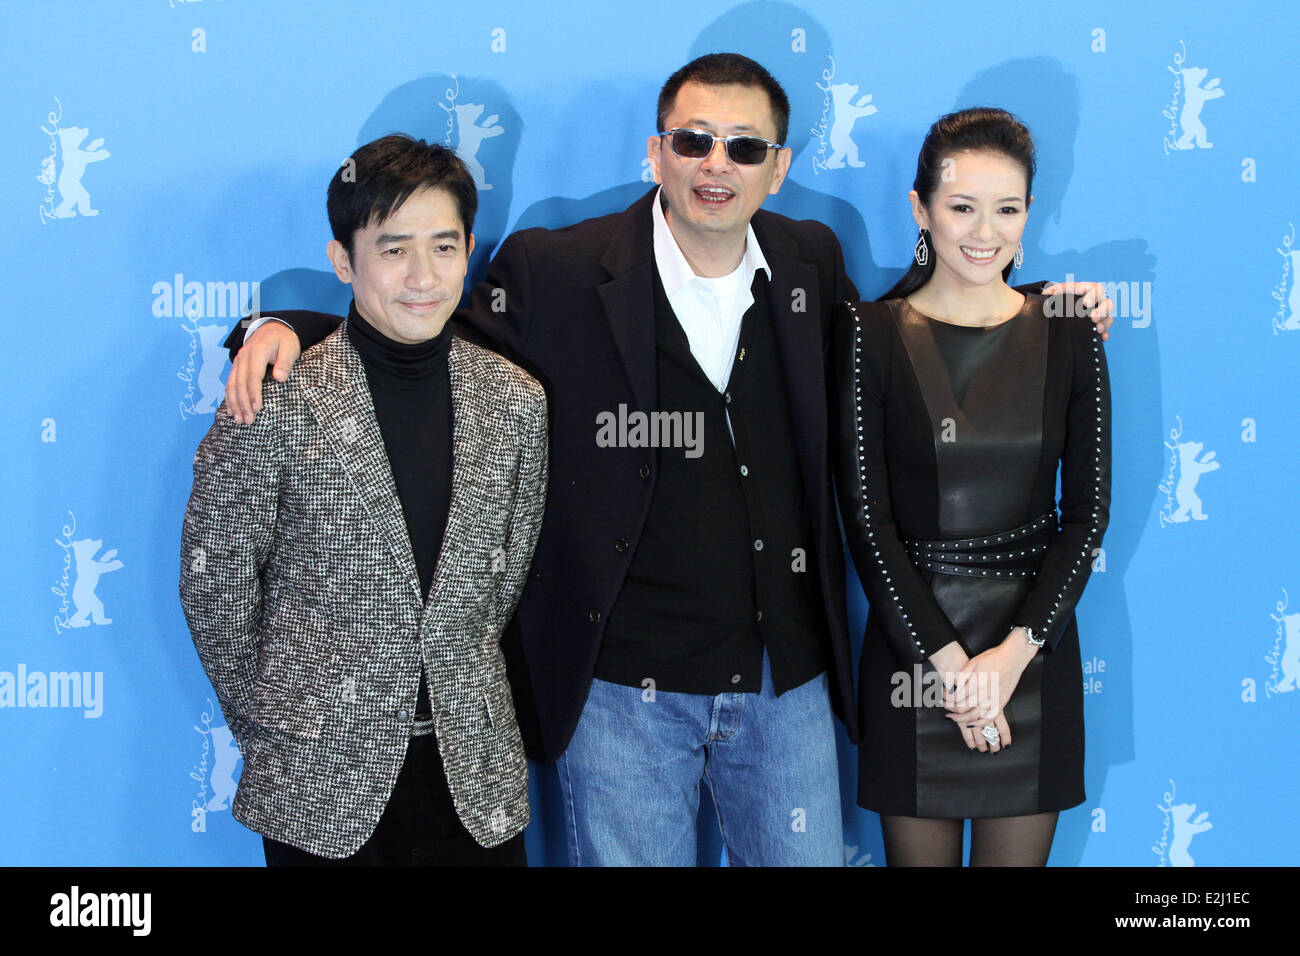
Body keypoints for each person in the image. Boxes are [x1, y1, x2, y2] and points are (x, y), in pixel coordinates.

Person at [222, 56, 1113, 866]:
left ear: (779, 166)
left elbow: (905, 337)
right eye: (692, 141)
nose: (714, 164)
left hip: (785, 682)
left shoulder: (811, 260)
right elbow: (418, 322)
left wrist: (1032, 307)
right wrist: (285, 328)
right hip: (620, 694)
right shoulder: (558, 269)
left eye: (742, 145)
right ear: (657, 152)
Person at [179, 135, 548, 866]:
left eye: (444, 248)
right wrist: (276, 721)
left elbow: (504, 581)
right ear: (344, 260)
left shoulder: (515, 402)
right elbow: (213, 581)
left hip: (474, 778)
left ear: (470, 249)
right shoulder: (276, 397)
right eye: (392, 249)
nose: (422, 276)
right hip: (319, 782)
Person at [831, 108, 1110, 866]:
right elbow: (867, 522)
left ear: (1028, 215)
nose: (984, 230)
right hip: (914, 660)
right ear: (920, 208)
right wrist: (954, 672)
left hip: (1033, 652)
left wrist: (1010, 661)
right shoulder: (869, 334)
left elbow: (1085, 517)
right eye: (961, 206)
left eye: (1008, 208)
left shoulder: (1070, 328)